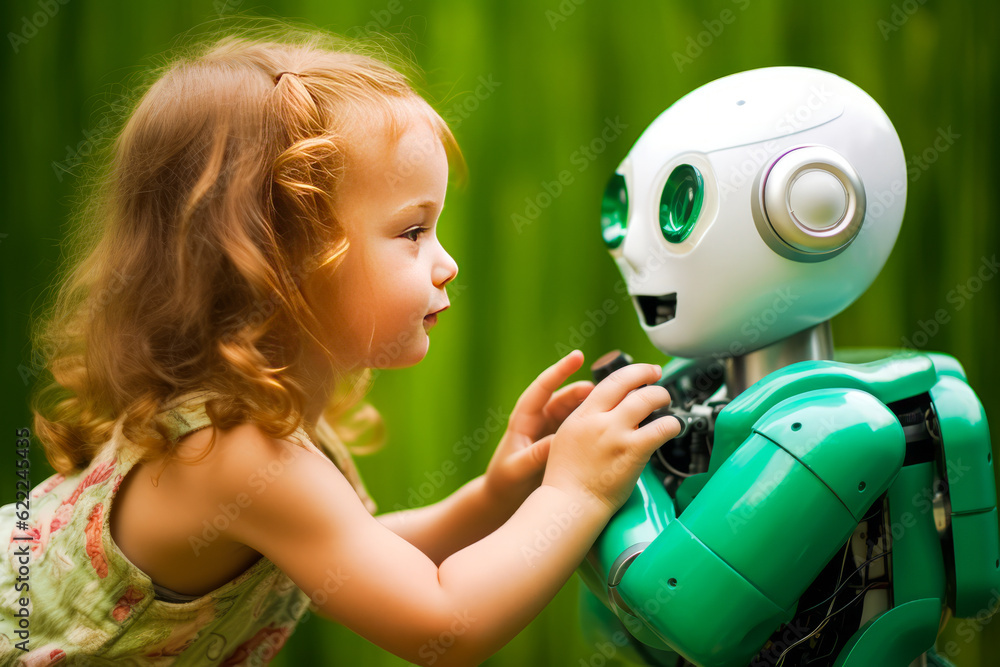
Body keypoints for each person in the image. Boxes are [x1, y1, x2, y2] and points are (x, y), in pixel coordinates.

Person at [0, 26, 682, 666]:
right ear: (281, 259)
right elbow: (446, 624)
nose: (446, 264)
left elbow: (353, 556)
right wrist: (576, 492)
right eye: (412, 231)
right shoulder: (230, 451)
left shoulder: (256, 417)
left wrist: (495, 494)